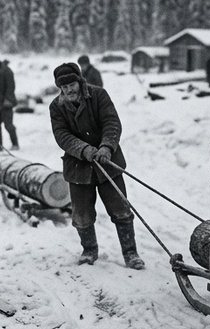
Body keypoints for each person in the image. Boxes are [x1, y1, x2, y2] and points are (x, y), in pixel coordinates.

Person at [49, 63, 144, 269]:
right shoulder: (56, 106)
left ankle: (130, 253)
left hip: (107, 163)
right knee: (82, 216)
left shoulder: (99, 95)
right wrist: (83, 149)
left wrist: (106, 146)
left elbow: (112, 122)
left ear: (80, 81)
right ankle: (89, 250)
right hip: (78, 167)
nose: (68, 90)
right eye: (63, 87)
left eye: (72, 84)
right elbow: (62, 135)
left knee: (121, 211)